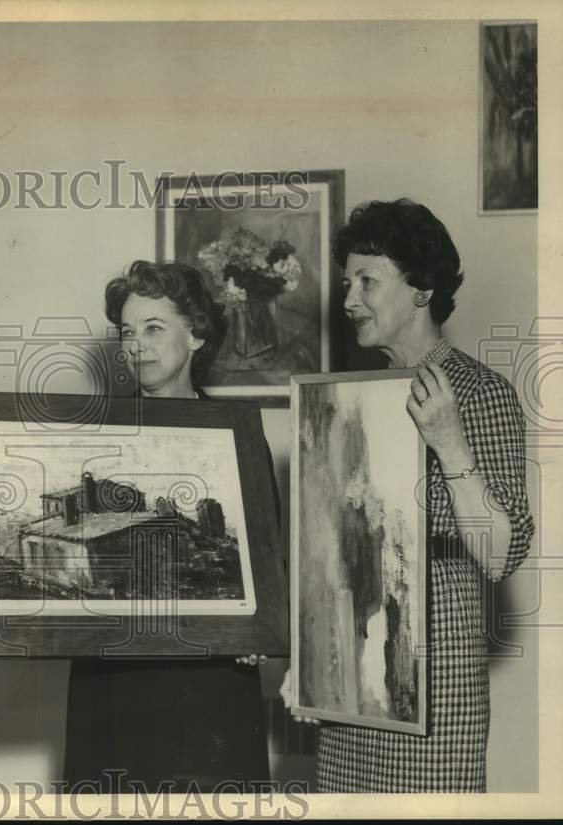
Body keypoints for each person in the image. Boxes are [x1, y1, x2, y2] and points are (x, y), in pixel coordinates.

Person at [281, 198, 535, 792]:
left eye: (367, 281)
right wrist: (312, 657)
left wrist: (448, 441)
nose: (348, 300)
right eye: (348, 282)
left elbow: (500, 555)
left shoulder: (481, 394)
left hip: (436, 699)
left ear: (421, 289)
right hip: (354, 687)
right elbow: (334, 553)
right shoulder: (349, 399)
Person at [63, 259, 280, 793]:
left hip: (209, 687)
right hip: (113, 683)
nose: (135, 345)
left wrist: (259, 625)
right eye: (127, 332)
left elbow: (266, 570)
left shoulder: (241, 440)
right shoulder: (96, 440)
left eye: (154, 328)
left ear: (197, 334)